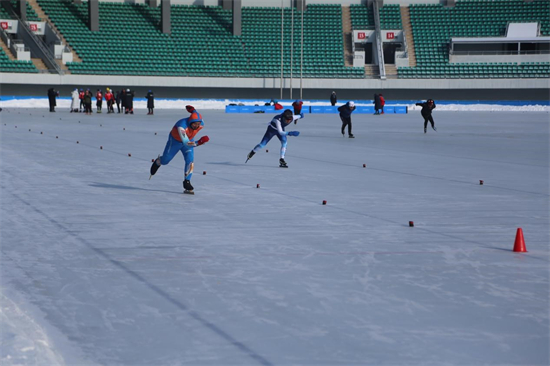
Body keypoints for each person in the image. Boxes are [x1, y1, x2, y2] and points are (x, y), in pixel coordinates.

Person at [149, 105, 209, 194]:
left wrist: (193, 110)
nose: (196, 126)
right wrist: (199, 142)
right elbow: (186, 144)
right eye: (194, 124)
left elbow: (196, 116)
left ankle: (187, 182)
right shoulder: (182, 126)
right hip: (175, 141)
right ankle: (158, 161)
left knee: (190, 160)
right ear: (190, 122)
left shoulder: (201, 124)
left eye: (198, 124)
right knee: (165, 161)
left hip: (189, 139)